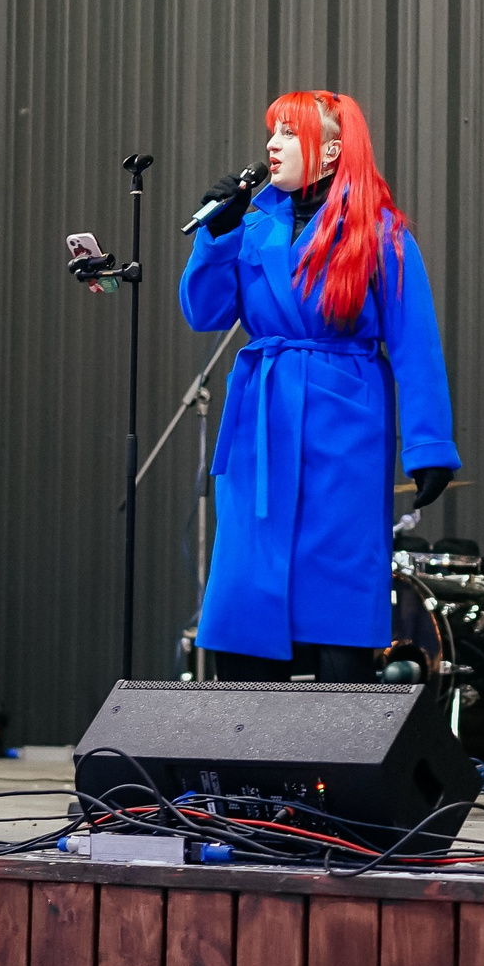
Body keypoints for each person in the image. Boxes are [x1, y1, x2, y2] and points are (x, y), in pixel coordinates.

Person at [183, 91, 459, 682]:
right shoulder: (251, 226)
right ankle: (243, 750)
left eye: (287, 133)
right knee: (246, 581)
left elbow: (415, 345)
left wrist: (429, 446)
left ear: (332, 151)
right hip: (262, 417)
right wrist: (216, 236)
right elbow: (203, 312)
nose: (270, 145)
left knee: (337, 583)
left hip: (346, 424)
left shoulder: (380, 233)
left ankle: (340, 744)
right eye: (272, 132)